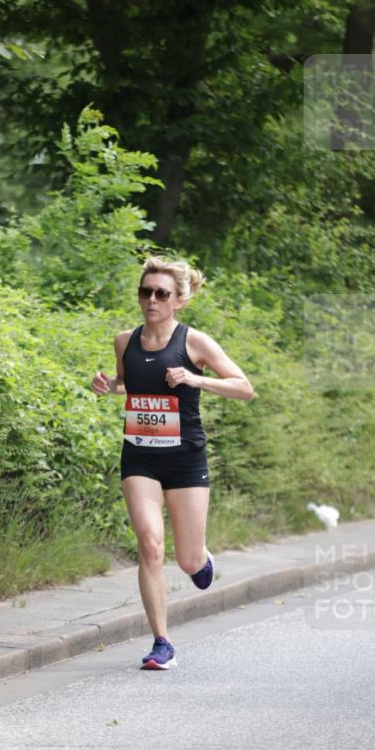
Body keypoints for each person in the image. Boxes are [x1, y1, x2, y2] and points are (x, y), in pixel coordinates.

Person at [91, 256, 254, 669]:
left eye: (161, 294)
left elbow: (244, 387)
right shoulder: (124, 341)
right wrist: (109, 387)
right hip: (140, 456)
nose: (151, 300)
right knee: (149, 544)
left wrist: (196, 378)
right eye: (145, 292)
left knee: (187, 561)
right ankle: (161, 642)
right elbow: (130, 384)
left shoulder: (194, 342)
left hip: (185, 460)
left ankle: (202, 559)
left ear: (179, 300)